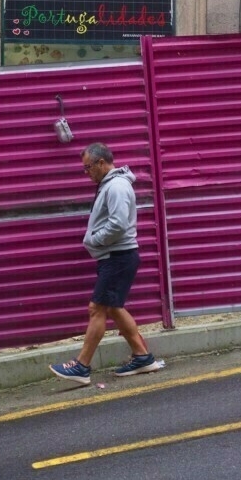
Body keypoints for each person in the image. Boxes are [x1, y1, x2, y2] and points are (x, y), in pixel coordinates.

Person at [50, 143, 162, 385]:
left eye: (88, 167)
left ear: (102, 163)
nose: (86, 172)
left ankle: (81, 366)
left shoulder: (117, 187)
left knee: (97, 308)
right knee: (112, 307)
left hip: (117, 257)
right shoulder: (110, 185)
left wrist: (93, 240)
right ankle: (143, 357)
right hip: (114, 256)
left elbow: (118, 224)